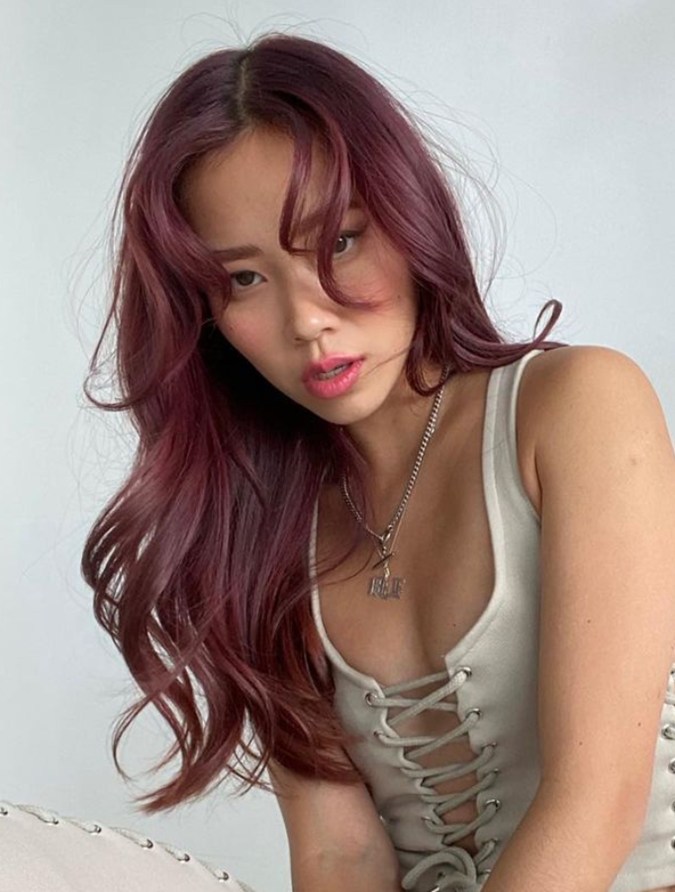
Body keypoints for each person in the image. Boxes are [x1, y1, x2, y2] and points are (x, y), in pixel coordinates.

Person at [80, 30, 675, 892]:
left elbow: (595, 802)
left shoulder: (573, 407)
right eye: (243, 279)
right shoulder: (260, 533)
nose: (306, 319)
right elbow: (341, 855)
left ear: (407, 212)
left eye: (338, 242)